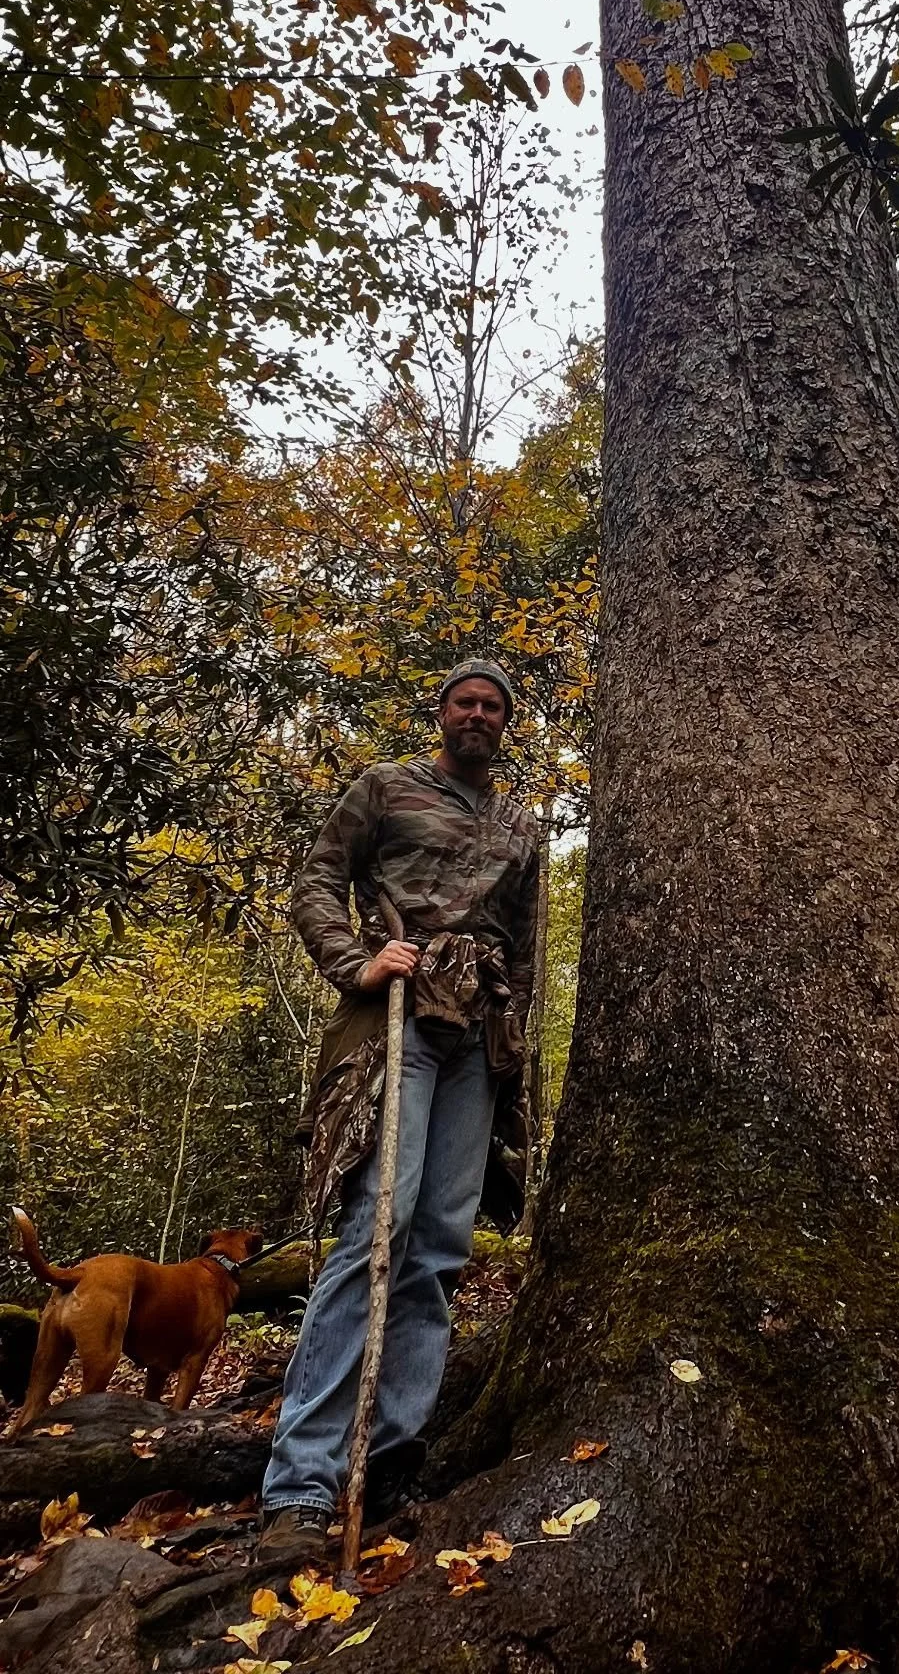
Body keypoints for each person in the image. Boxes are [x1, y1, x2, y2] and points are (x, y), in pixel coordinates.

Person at [257, 658, 538, 1560]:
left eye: (493, 706)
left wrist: (516, 1049)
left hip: (478, 1039)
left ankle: (391, 1458)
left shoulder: (522, 823)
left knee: (440, 1245)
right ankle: (302, 1483)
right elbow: (314, 880)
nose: (479, 715)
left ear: (505, 724)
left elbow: (525, 942)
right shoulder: (384, 785)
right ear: (441, 711)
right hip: (396, 1022)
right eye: (466, 701)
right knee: (375, 1233)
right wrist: (355, 962)